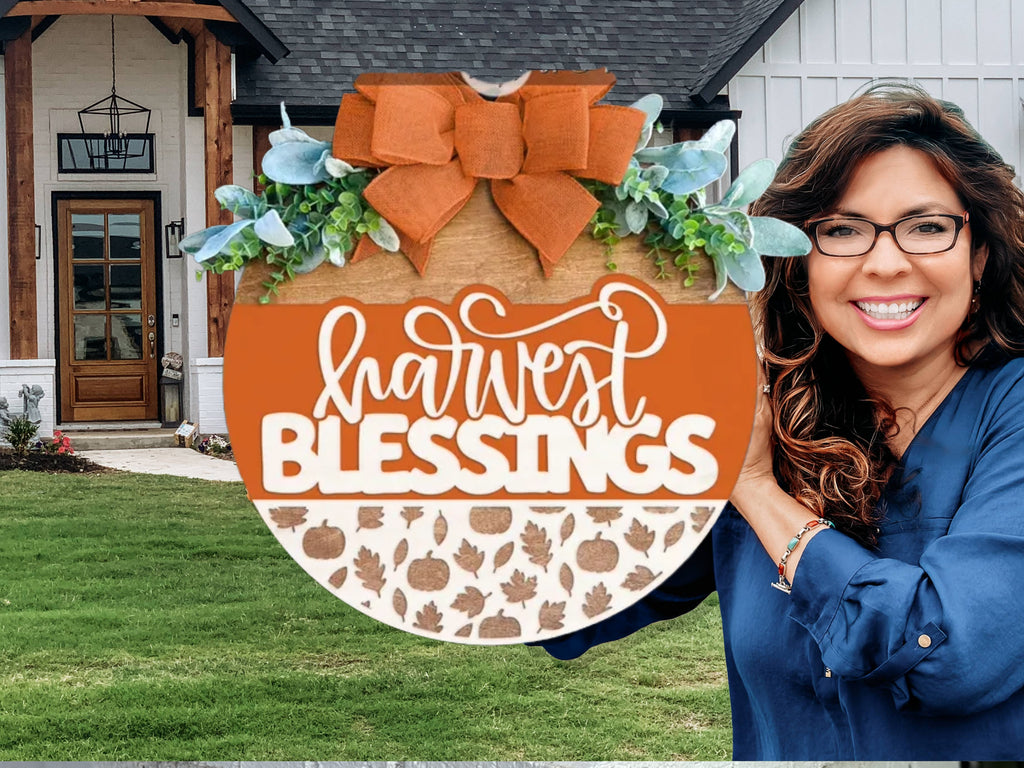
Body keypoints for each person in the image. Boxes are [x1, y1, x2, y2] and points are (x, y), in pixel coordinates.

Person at [539, 83, 1024, 759]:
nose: (886, 263)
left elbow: (951, 657)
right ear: (800, 263)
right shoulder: (769, 413)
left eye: (927, 227)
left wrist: (756, 489)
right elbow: (565, 601)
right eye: (843, 230)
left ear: (978, 255)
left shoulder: (1009, 414)